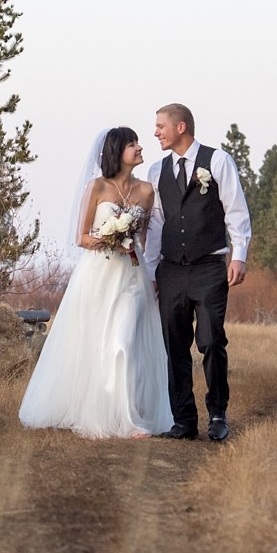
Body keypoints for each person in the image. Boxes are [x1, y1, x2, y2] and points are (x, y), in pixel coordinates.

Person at [19, 127, 174, 439]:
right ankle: (94, 409)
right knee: (94, 342)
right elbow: (82, 237)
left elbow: (149, 240)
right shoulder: (97, 186)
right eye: (133, 144)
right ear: (118, 152)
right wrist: (112, 239)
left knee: (123, 342)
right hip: (97, 275)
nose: (140, 147)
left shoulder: (146, 191)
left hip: (131, 276)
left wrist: (147, 266)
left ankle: (129, 419)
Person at [144, 103, 251, 442]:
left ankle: (218, 412)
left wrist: (239, 256)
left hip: (209, 267)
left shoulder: (217, 161)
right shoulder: (155, 171)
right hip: (171, 270)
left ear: (181, 127)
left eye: (161, 126)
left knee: (211, 340)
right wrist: (151, 272)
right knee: (174, 346)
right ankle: (184, 420)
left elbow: (235, 210)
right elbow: (157, 223)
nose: (156, 132)